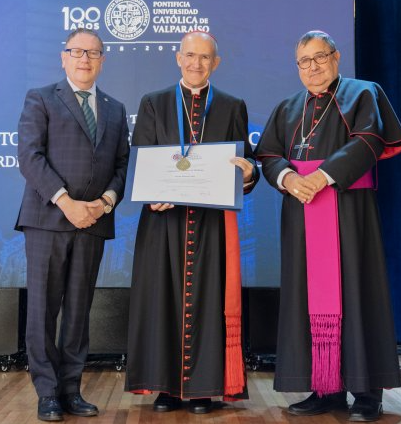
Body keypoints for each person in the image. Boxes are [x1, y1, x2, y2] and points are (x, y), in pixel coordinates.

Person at [255, 30, 401, 422]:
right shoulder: (288, 107)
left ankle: (367, 393)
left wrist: (322, 176)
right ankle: (325, 388)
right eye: (304, 61)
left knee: (357, 291)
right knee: (307, 296)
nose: (313, 67)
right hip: (301, 211)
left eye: (320, 57)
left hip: (349, 210)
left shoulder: (363, 93)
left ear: (336, 57)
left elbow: (369, 140)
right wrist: (289, 178)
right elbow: (267, 154)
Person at [125, 31, 259, 414]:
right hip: (163, 222)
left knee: (207, 300)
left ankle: (203, 389)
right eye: (190, 55)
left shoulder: (232, 106)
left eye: (204, 57)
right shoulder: (154, 103)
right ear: (178, 58)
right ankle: (166, 387)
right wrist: (151, 192)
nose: (196, 63)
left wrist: (248, 173)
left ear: (215, 63)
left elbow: (247, 163)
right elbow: (141, 158)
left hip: (211, 224)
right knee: (162, 299)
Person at [16, 28, 130, 422]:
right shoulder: (41, 98)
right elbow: (30, 157)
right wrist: (66, 202)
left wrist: (105, 202)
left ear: (102, 60)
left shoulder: (115, 109)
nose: (85, 59)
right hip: (48, 220)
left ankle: (71, 390)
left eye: (93, 53)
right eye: (77, 51)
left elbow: (122, 164)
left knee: (79, 311)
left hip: (93, 222)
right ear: (63, 57)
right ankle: (47, 393)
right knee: (42, 311)